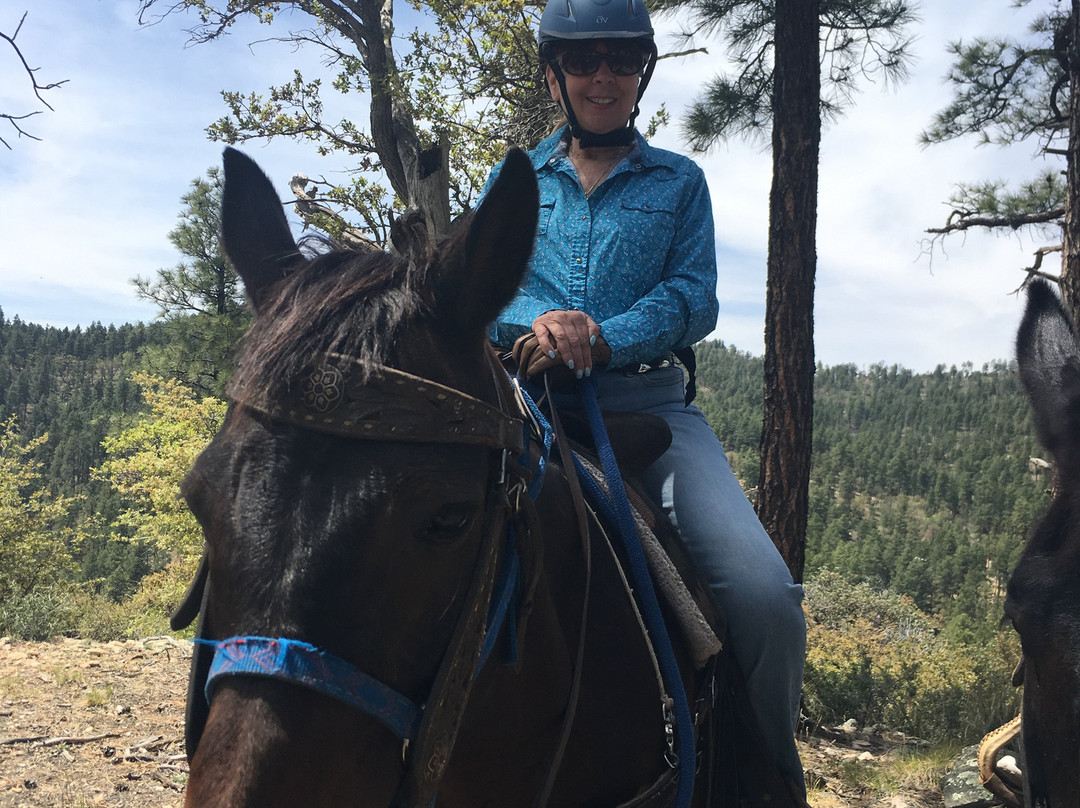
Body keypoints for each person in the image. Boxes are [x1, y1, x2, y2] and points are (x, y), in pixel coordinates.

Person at [483, 0, 808, 798]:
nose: (603, 76)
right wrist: (542, 325)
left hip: (654, 410)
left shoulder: (680, 183)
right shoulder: (517, 180)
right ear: (555, 74)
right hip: (528, 405)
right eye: (585, 60)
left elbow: (695, 297)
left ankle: (766, 775)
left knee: (765, 599)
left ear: (642, 74)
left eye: (621, 60)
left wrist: (603, 334)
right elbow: (484, 290)